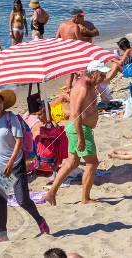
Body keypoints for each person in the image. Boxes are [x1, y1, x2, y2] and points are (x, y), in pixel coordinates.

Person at [0, 88, 48, 241]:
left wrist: (11, 162)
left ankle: (40, 220)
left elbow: (19, 141)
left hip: (15, 164)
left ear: (3, 102)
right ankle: (1, 234)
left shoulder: (11, 118)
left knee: (22, 199)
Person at [45, 61, 106, 206]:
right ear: (94, 73)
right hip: (80, 129)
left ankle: (51, 192)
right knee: (92, 163)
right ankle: (85, 198)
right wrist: (81, 138)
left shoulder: (88, 84)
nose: (103, 77)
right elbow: (76, 113)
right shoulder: (83, 87)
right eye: (101, 74)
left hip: (78, 128)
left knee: (72, 162)